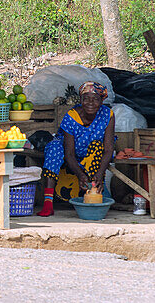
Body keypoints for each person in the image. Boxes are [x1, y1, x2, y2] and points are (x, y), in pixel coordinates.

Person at [37, 81, 114, 216]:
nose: (90, 103)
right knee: (54, 148)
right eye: (86, 99)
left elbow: (108, 149)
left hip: (90, 154)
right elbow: (69, 153)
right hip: (69, 152)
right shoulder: (71, 116)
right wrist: (80, 175)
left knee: (97, 146)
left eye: (95, 99)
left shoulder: (108, 115)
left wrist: (100, 175)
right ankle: (48, 202)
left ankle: (93, 190)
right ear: (80, 100)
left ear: (101, 101)